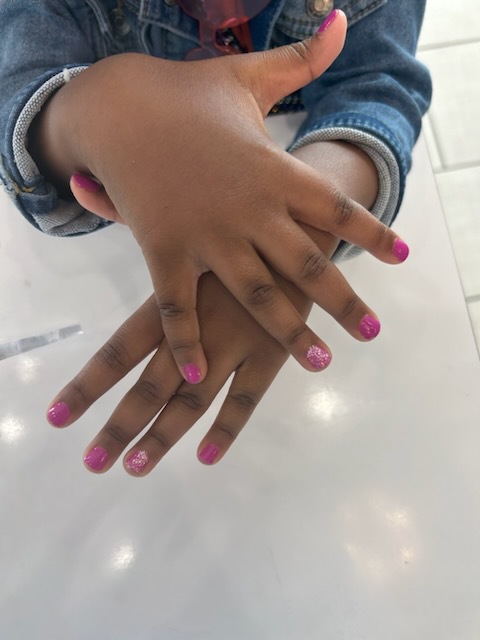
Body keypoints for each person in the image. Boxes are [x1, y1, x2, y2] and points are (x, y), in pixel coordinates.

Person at [0, 0, 431, 474]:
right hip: (87, 271)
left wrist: (298, 224)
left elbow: (377, 87)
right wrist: (91, 110)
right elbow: (18, 75)